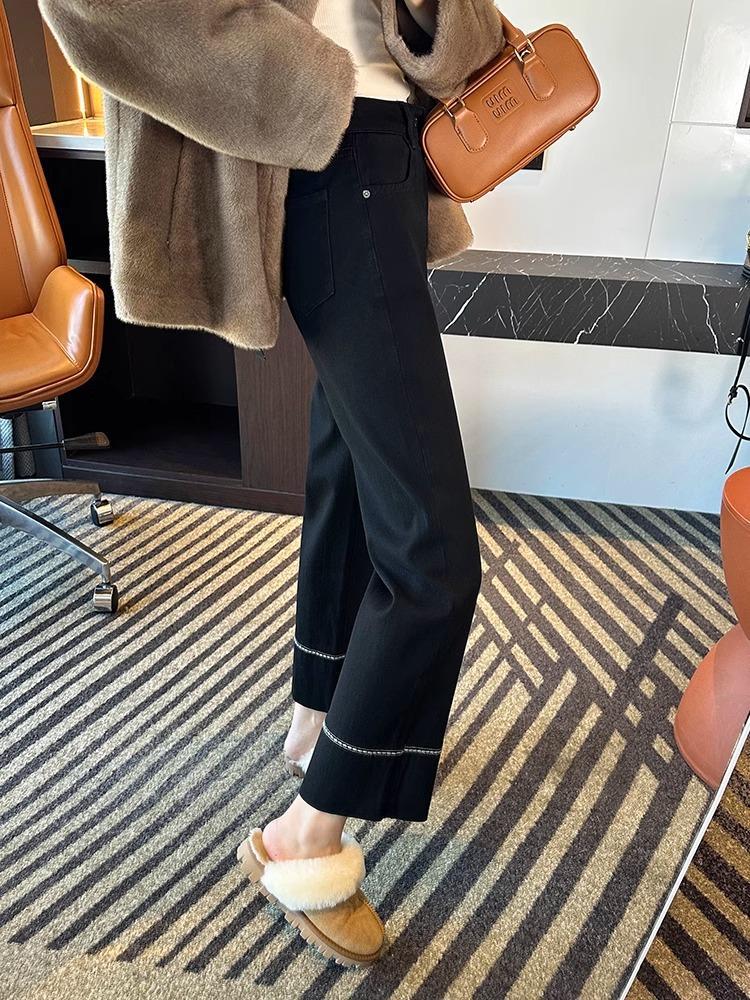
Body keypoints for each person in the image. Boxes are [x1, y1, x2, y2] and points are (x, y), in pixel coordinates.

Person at [38, 0, 507, 968]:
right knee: (433, 552)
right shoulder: (308, 99)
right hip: (316, 146)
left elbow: (464, 40)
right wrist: (302, 86)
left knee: (352, 464)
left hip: (396, 150)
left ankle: (317, 720)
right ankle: (305, 837)